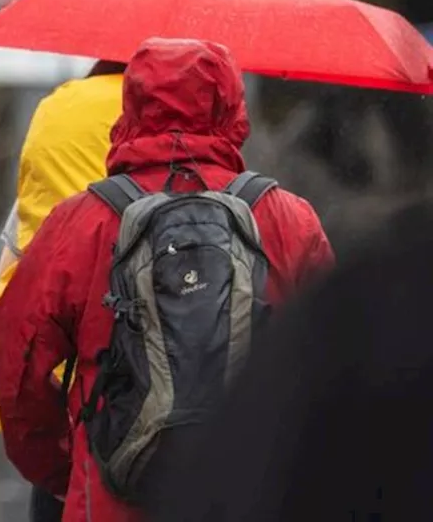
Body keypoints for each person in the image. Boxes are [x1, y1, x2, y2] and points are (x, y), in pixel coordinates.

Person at [0, 38, 335, 522]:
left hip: (110, 501)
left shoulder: (82, 222)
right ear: (233, 108)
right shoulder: (287, 221)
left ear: (129, 107)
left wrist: (64, 468)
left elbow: (17, 365)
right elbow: (333, 366)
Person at [148, 201, 432, 521]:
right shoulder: (290, 215)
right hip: (285, 456)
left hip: (122, 468)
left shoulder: (92, 215)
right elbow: (337, 334)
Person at [0, 60, 126, 522]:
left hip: (74, 431)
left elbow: (9, 328)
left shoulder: (57, 116)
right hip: (186, 450)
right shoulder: (231, 194)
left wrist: (48, 463)